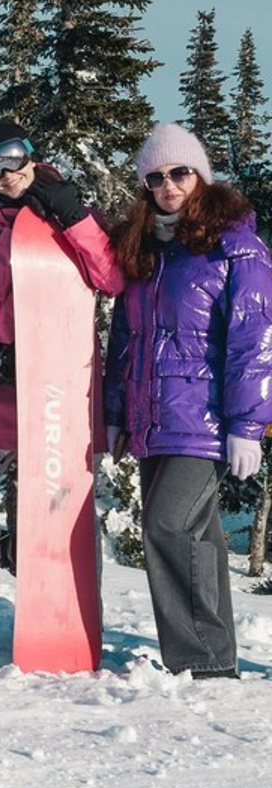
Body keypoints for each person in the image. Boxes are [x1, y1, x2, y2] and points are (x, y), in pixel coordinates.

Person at [0, 118, 121, 651]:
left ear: (32, 155)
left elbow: (110, 276)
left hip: (57, 386)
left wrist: (71, 217)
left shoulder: (72, 211)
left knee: (65, 508)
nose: (7, 172)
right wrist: (20, 231)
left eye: (14, 156)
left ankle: (72, 620)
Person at [105, 123, 272, 678]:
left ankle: (201, 660)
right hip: (154, 419)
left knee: (167, 526)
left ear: (200, 175)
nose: (168, 185)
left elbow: (255, 338)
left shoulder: (236, 246)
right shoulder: (146, 251)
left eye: (179, 172)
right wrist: (114, 415)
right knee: (197, 536)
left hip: (206, 419)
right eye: (155, 178)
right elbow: (125, 341)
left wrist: (247, 423)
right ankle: (214, 662)